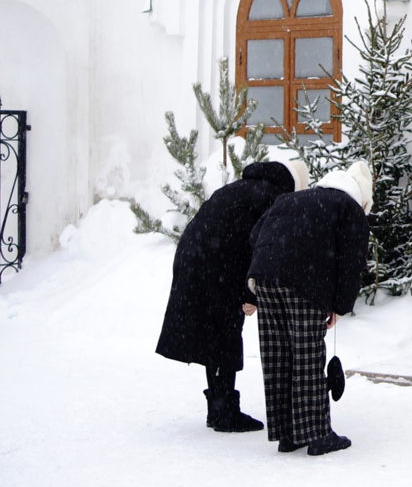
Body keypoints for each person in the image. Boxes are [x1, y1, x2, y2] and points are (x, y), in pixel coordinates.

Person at [155, 158, 310, 432]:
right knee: (225, 332)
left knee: (214, 332)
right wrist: (249, 296)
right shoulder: (272, 198)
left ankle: (218, 407)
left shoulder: (244, 187)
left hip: (195, 257)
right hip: (216, 264)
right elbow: (258, 249)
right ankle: (225, 412)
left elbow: (234, 239)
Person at [247, 159, 371, 456]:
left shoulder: (292, 198)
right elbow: (352, 262)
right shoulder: (348, 208)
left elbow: (255, 235)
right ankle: (317, 434)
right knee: (307, 353)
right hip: (301, 280)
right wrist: (339, 306)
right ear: (361, 195)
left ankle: (288, 433)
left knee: (278, 353)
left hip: (264, 275)